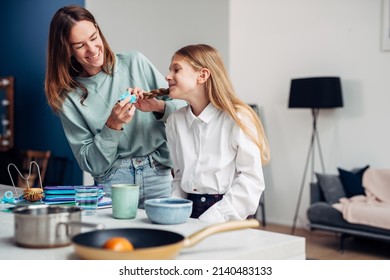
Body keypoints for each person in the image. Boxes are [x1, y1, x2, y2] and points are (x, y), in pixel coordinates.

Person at [44, 5, 186, 208]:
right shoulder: (68, 98)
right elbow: (90, 163)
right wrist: (112, 125)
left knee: (163, 238)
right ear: (66, 50)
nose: (92, 50)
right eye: (79, 45)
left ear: (98, 30)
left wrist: (157, 106)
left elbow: (183, 108)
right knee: (115, 240)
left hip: (158, 173)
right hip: (113, 180)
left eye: (94, 38)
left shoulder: (135, 62)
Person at [165, 44, 270, 223]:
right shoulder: (175, 121)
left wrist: (214, 217)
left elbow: (251, 181)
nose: (168, 76)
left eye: (176, 70)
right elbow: (180, 174)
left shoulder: (238, 118)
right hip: (187, 210)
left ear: (203, 75)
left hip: (226, 212)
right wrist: (175, 209)